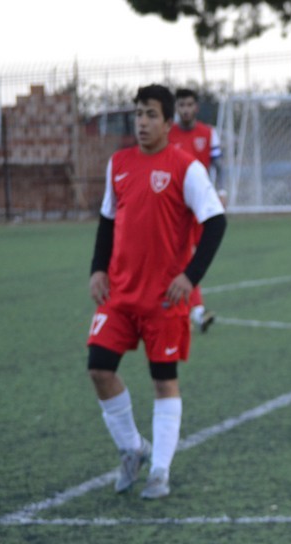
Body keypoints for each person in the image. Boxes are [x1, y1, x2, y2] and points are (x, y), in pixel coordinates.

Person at [87, 84, 227, 499]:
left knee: (164, 381)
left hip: (165, 298)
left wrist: (190, 277)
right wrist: (98, 269)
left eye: (151, 115)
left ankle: (160, 471)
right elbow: (107, 221)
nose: (142, 122)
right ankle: (133, 448)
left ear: (168, 122)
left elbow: (216, 222)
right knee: (99, 369)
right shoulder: (119, 164)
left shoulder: (186, 168)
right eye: (138, 114)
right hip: (119, 294)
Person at [168, 87, 225, 333]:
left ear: (196, 107)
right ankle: (197, 311)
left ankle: (193, 309)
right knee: (184, 256)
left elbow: (218, 166)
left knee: (193, 255)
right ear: (176, 108)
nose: (185, 110)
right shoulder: (168, 134)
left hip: (201, 207)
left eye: (189, 105)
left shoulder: (208, 133)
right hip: (176, 208)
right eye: (181, 105)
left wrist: (222, 192)